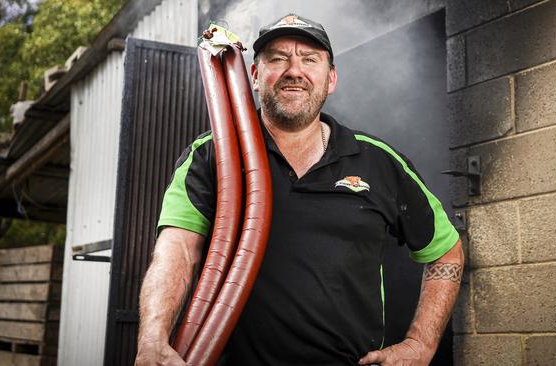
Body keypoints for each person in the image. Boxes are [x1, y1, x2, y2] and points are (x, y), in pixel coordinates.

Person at [135, 13, 464, 366]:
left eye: (310, 60)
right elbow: (177, 252)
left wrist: (421, 344)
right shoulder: (212, 155)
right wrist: (152, 336)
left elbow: (446, 252)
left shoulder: (378, 162)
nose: (295, 71)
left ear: (331, 78)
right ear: (256, 76)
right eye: (278, 59)